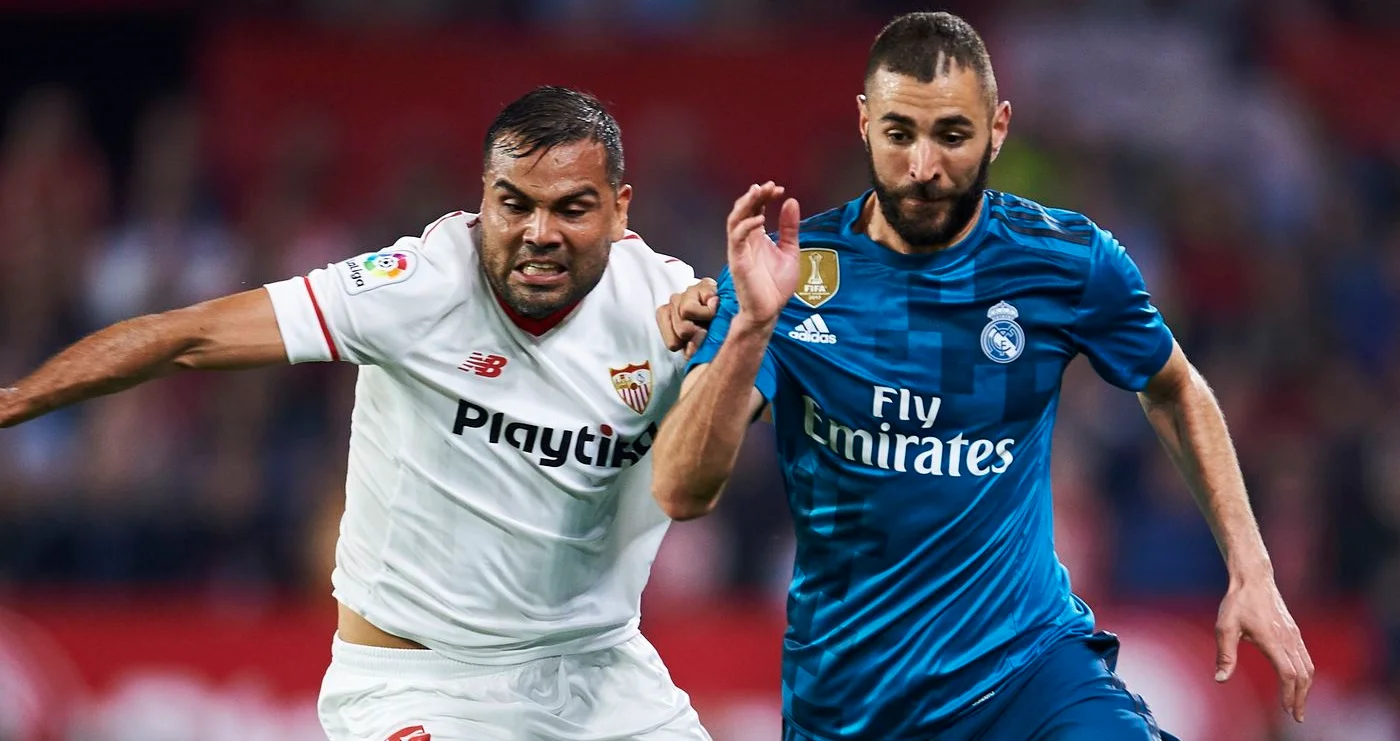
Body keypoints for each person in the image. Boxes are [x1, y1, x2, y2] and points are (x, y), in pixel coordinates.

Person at [651, 12, 1312, 741]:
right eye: (899, 134)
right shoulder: (788, 277)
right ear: (865, 124)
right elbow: (681, 489)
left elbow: (1175, 387)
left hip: (1030, 671)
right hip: (853, 705)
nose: (923, 166)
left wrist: (1251, 567)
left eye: (952, 135)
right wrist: (750, 327)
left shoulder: (1065, 261)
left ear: (997, 130)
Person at [0, 86, 711, 741]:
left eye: (571, 209)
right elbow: (189, 337)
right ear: (484, 199)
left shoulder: (670, 303)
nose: (538, 231)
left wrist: (745, 341)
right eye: (514, 204)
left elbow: (734, 440)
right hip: (421, 686)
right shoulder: (416, 286)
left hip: (602, 675)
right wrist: (13, 400)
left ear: (619, 210)